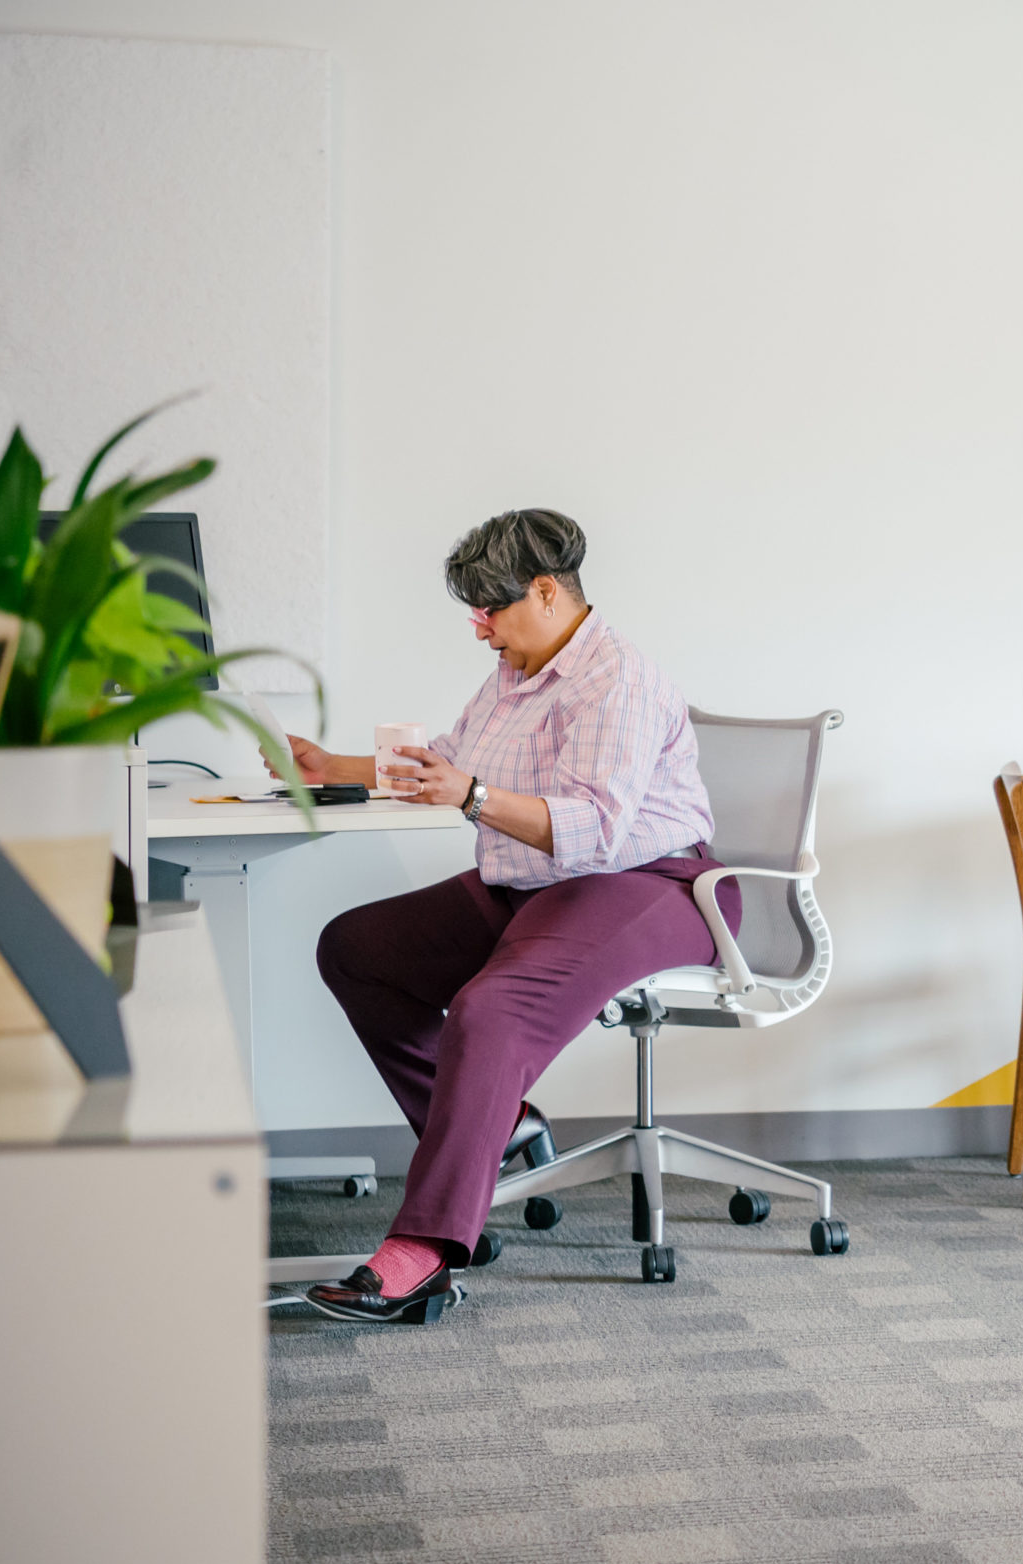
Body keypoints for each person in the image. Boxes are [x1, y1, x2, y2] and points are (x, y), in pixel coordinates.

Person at [274, 508, 739, 1324]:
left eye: (492, 608)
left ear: (549, 591)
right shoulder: (518, 670)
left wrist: (477, 799)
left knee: (491, 1012)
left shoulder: (615, 678)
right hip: (538, 882)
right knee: (357, 949)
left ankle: (423, 1256)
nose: (480, 627)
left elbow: (593, 829)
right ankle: (508, 1126)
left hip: (651, 885)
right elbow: (450, 764)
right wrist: (329, 765)